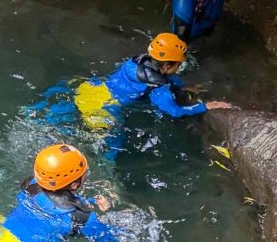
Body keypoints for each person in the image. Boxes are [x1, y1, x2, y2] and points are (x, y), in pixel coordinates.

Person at [28, 33, 232, 159]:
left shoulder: (135, 62)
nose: (181, 66)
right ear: (168, 65)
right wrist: (205, 106)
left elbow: (164, 80)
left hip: (89, 89)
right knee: (113, 145)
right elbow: (174, 111)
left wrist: (180, 86)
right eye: (179, 64)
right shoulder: (158, 87)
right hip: (102, 108)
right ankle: (107, 175)